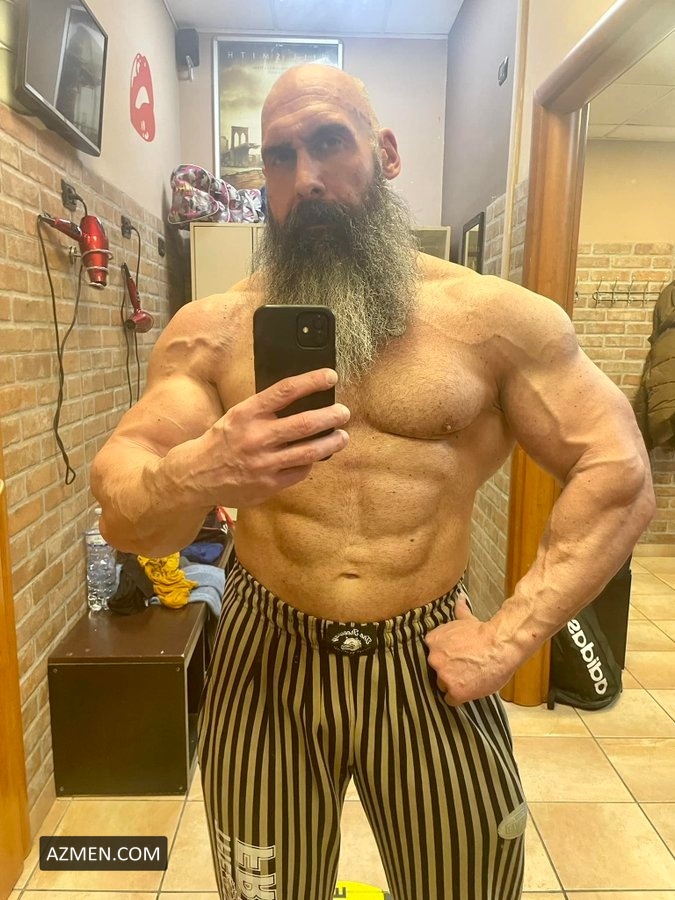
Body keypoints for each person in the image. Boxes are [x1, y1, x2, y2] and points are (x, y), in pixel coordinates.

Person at [91, 64, 654, 900]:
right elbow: (123, 502)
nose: (306, 179)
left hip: (428, 659)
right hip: (265, 656)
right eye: (279, 157)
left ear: (385, 153)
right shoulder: (211, 331)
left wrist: (507, 640)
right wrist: (198, 470)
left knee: (467, 886)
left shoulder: (493, 319)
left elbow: (619, 475)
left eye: (329, 143)